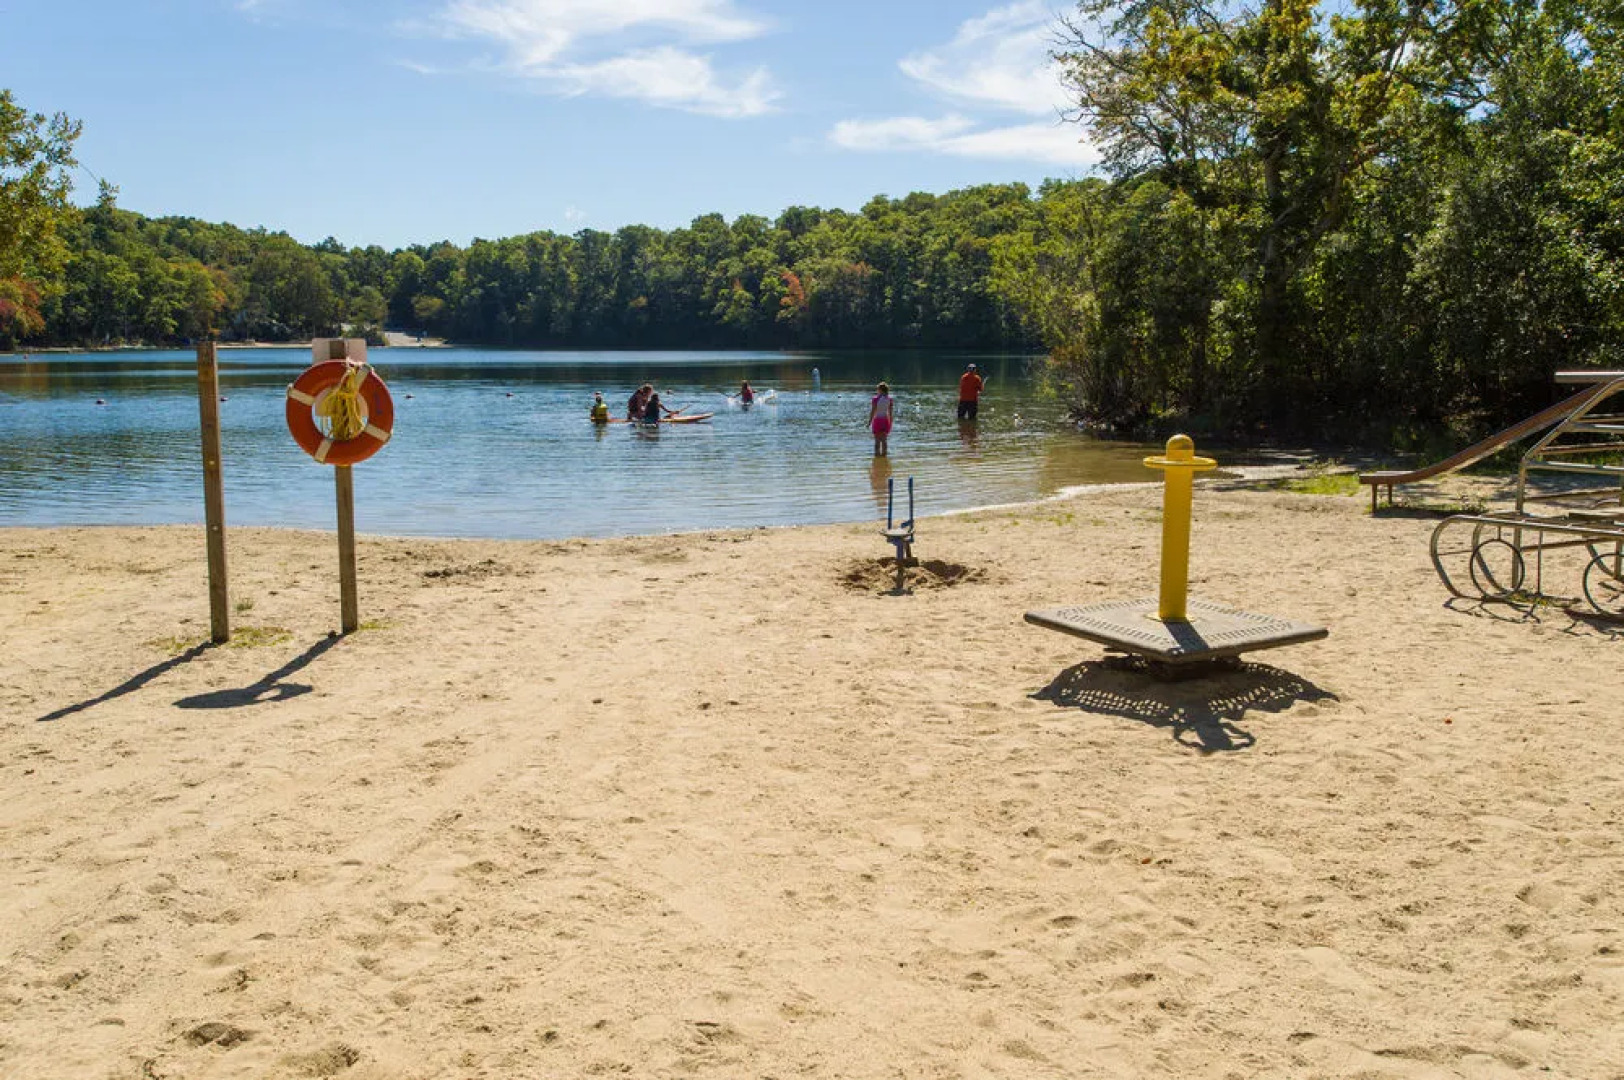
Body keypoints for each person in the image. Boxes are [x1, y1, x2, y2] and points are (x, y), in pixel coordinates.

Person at [868, 381, 895, 457]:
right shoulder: (890, 399)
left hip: (877, 421)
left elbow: (873, 412)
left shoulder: (875, 399)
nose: (877, 391)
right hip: (885, 421)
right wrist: (891, 423)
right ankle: (884, 456)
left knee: (877, 441)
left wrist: (869, 422)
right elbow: (890, 413)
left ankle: (877, 456)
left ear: (880, 390)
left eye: (877, 390)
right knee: (884, 441)